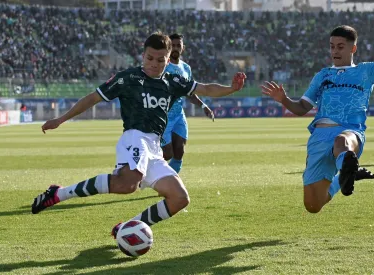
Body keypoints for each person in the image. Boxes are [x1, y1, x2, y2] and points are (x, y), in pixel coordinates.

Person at [31, 32, 246, 238]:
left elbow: (206, 89)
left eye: (160, 60)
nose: (154, 63)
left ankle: (126, 228)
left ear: (168, 58)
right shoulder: (128, 78)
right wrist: (60, 119)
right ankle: (58, 194)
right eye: (150, 58)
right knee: (127, 184)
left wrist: (231, 89)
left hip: (154, 148)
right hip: (134, 137)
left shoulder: (173, 81)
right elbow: (93, 98)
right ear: (143, 55)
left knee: (179, 198)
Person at [261, 3, 374, 213]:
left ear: (352, 48)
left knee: (341, 142)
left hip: (350, 131)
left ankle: (347, 165)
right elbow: (301, 108)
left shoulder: (367, 71)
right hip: (319, 137)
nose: (334, 51)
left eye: (340, 46)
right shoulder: (322, 75)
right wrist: (283, 99)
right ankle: (346, 176)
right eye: (331, 46)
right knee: (313, 206)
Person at [162, 33, 214, 173]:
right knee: (167, 153)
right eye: (173, 45)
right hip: (163, 116)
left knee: (179, 152)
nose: (176, 48)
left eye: (179, 45)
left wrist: (203, 105)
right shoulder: (162, 66)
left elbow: (189, 92)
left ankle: (169, 183)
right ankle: (144, 173)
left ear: (183, 47)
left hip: (179, 115)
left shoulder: (186, 68)